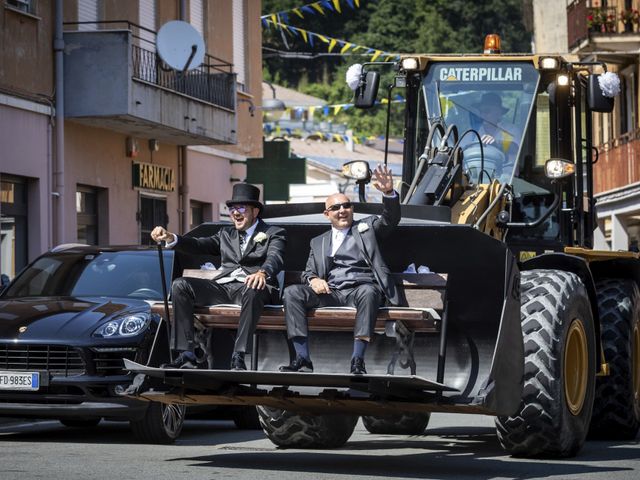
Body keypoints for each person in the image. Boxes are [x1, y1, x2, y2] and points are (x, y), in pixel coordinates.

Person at [280, 164, 406, 375]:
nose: (342, 211)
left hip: (360, 290)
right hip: (333, 292)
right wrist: (313, 280)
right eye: (336, 208)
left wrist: (388, 194)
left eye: (346, 206)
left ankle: (358, 361)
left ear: (352, 209)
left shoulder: (367, 228)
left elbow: (389, 220)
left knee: (369, 291)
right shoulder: (318, 242)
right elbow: (308, 271)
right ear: (326, 213)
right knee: (292, 292)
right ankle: (302, 358)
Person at [150, 183, 286, 370]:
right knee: (181, 285)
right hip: (226, 287)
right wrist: (171, 238)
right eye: (231, 209)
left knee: (253, 289)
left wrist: (262, 272)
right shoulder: (226, 234)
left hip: (255, 288)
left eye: (241, 208)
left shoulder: (273, 233)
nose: (235, 213)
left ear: (255, 211)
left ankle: (238, 356)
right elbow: (199, 245)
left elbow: (275, 258)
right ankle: (186, 354)